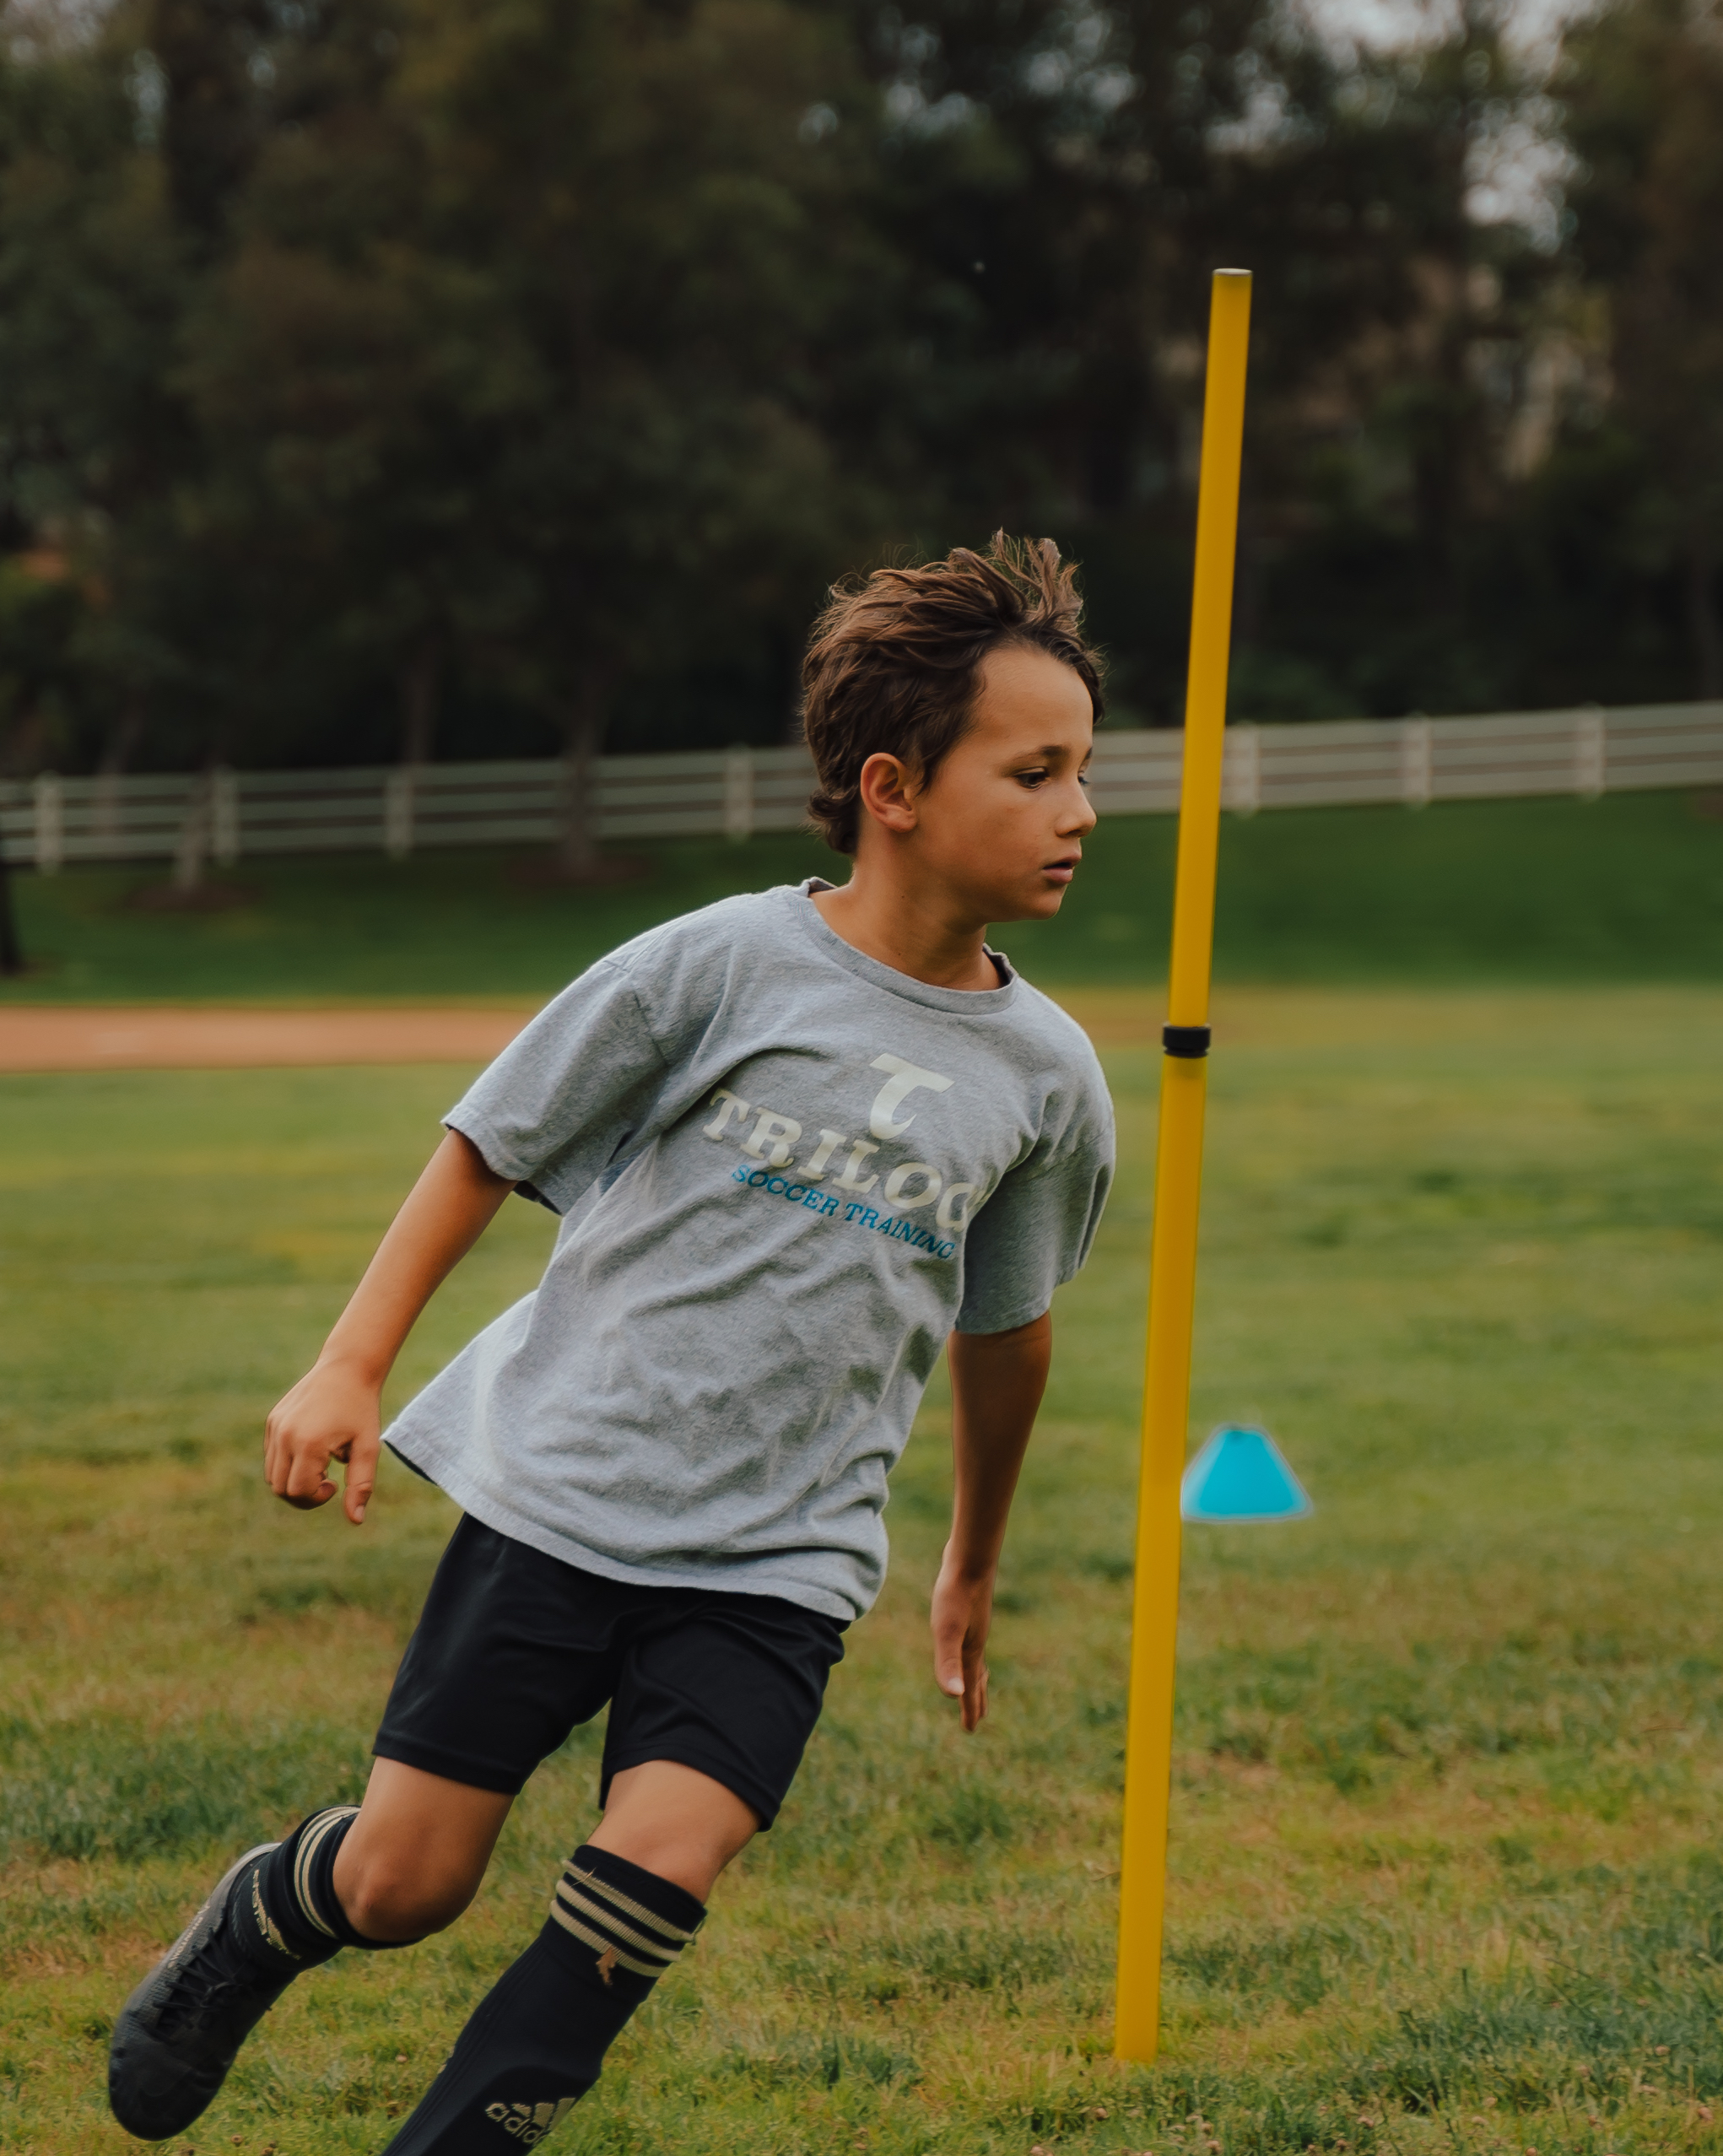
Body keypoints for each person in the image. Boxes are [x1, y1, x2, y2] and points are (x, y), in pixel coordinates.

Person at [107, 532, 1115, 2152]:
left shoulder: (1048, 1077)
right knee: (406, 1881)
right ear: (893, 786)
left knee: (654, 1870)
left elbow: (1010, 1335)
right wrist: (349, 1363)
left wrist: (971, 1557)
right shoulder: (721, 966)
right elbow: (487, 1143)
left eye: (1084, 770)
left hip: (780, 1560)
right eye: (1036, 769)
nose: (1080, 809)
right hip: (564, 1498)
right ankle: (258, 1920)